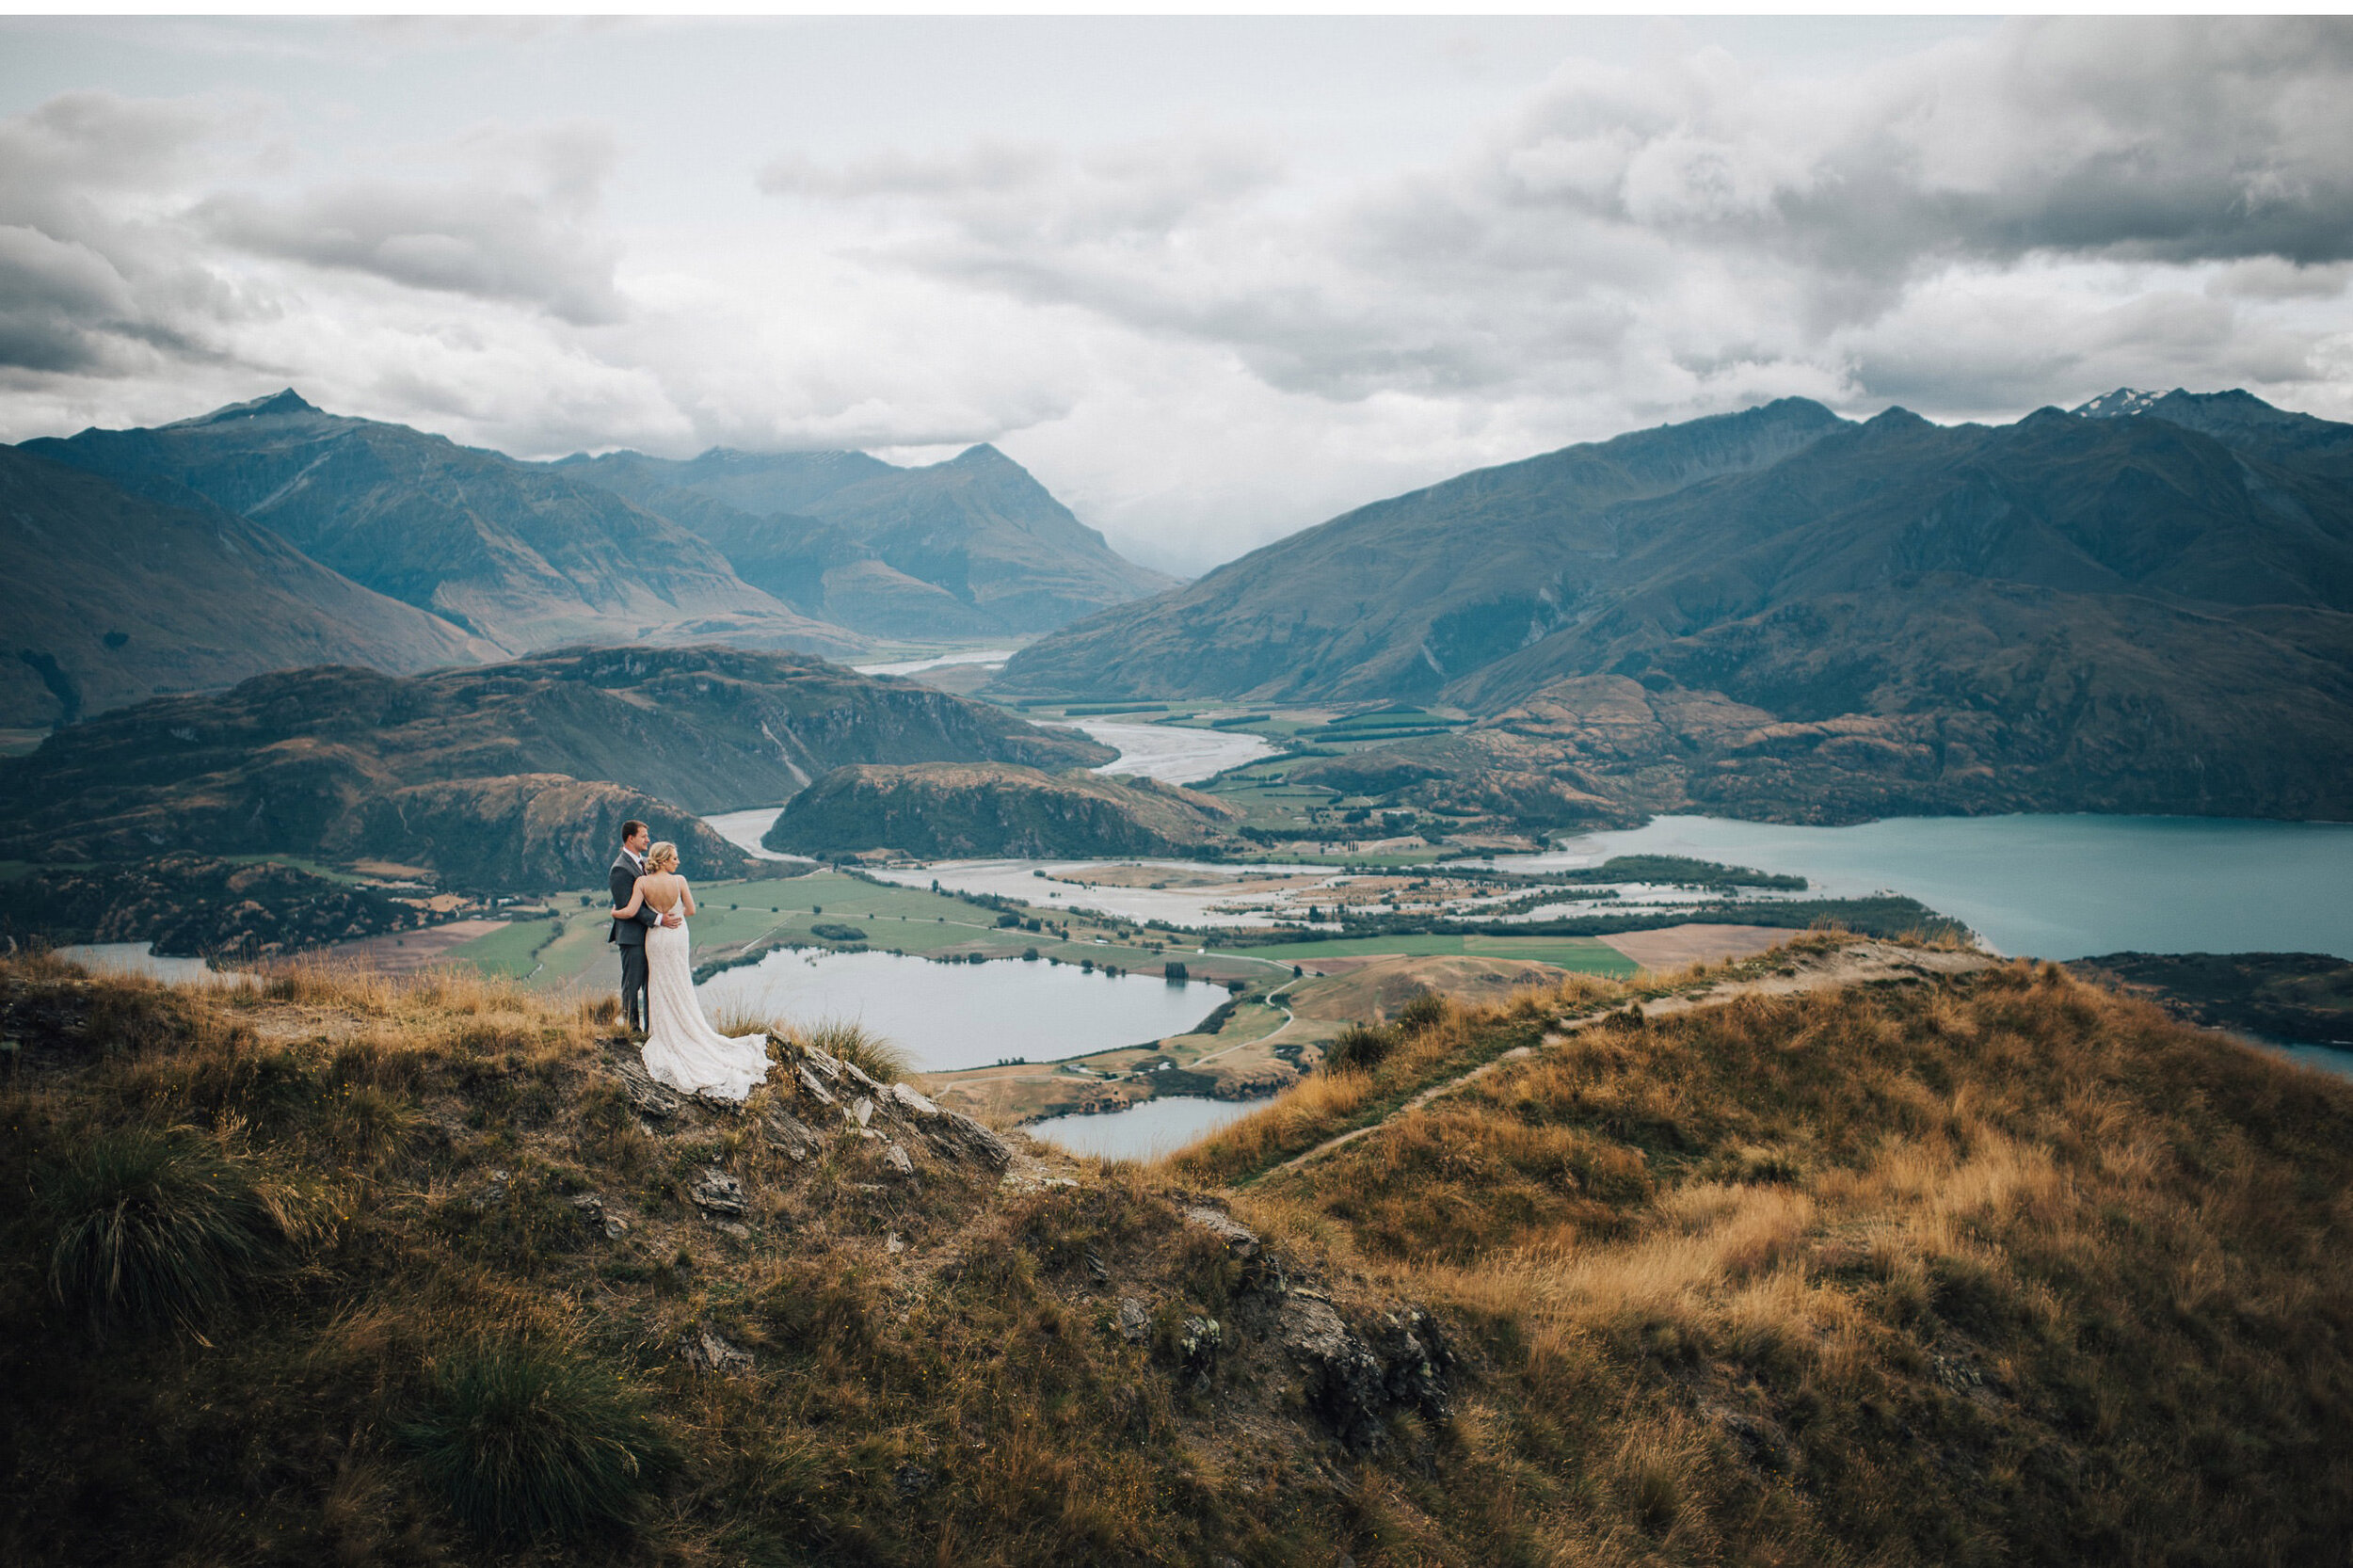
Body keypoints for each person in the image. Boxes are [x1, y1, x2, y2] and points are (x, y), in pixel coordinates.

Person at [611, 840, 775, 1100]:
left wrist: (614, 913)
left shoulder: (642, 883)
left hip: (656, 936)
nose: (678, 862)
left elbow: (630, 911)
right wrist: (674, 916)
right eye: (674, 857)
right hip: (676, 936)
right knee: (679, 981)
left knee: (658, 983)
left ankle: (661, 1031)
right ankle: (687, 1027)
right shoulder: (680, 882)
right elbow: (691, 910)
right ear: (664, 859)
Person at [607, 821, 679, 1033]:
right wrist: (659, 919)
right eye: (643, 836)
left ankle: (652, 1029)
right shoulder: (619, 869)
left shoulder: (646, 863)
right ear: (631, 838)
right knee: (632, 985)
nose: (648, 839)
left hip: (650, 936)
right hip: (632, 936)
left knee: (652, 985)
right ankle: (632, 1031)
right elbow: (627, 906)